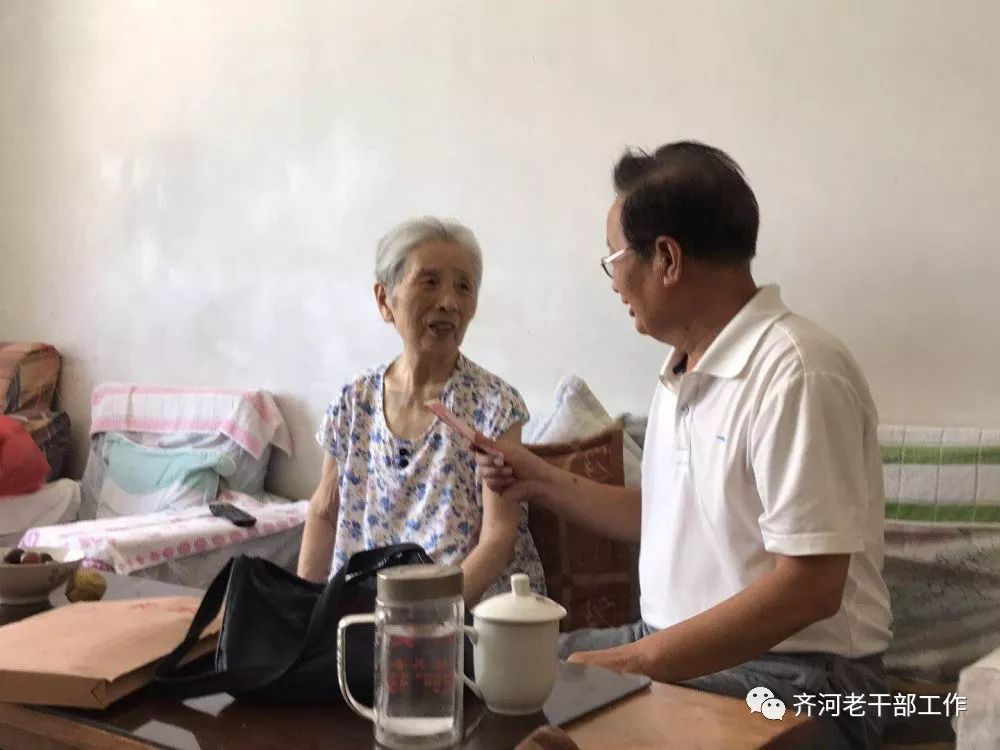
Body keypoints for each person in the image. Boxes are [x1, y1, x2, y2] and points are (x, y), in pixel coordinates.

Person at [476, 142, 891, 748]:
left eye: (614, 258)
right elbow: (663, 513)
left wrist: (633, 664)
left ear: (667, 258)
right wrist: (536, 478)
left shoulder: (797, 370)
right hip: (676, 647)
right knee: (494, 671)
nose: (614, 281)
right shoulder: (682, 372)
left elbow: (811, 587)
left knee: (574, 716)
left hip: (803, 675)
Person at [297, 217, 544, 604]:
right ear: (385, 300)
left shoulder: (495, 405)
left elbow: (498, 539)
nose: (449, 302)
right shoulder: (353, 401)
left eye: (463, 287)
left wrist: (427, 619)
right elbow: (324, 511)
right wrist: (303, 613)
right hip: (365, 614)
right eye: (429, 282)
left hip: (466, 614)